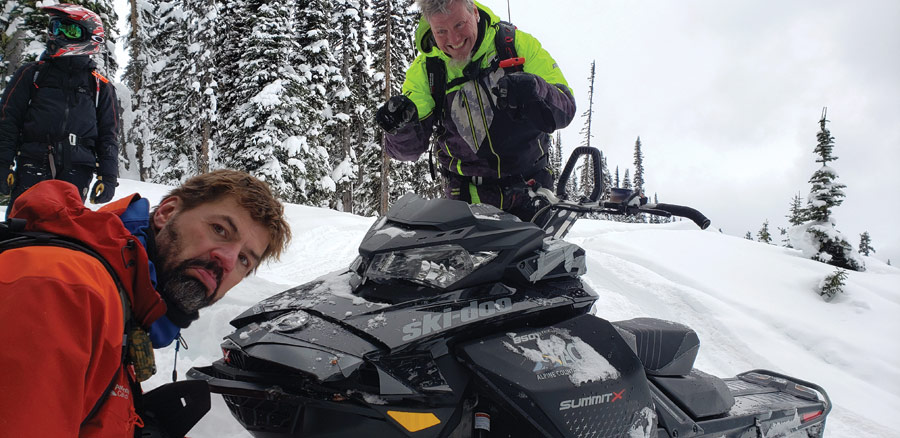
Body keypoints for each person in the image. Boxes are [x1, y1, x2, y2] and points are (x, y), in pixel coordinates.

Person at [0, 170, 291, 435]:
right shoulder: (65, 288)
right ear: (166, 212)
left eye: (244, 259)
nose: (226, 261)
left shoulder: (125, 302)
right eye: (220, 229)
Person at [376, 0, 576, 221]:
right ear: (430, 27)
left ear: (474, 12)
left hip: (530, 191)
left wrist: (534, 90)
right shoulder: (427, 71)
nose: (453, 40)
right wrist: (400, 126)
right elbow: (408, 151)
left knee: (540, 255)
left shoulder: (515, 45)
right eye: (441, 31)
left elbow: (565, 109)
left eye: (459, 25)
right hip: (465, 200)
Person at [0, 3, 120, 217]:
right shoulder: (32, 74)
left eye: (68, 30)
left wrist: (108, 177)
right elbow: (7, 121)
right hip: (33, 164)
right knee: (20, 232)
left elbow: (108, 135)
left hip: (77, 171)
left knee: (65, 234)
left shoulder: (100, 86)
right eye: (55, 28)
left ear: (90, 36)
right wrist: (3, 163)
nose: (57, 36)